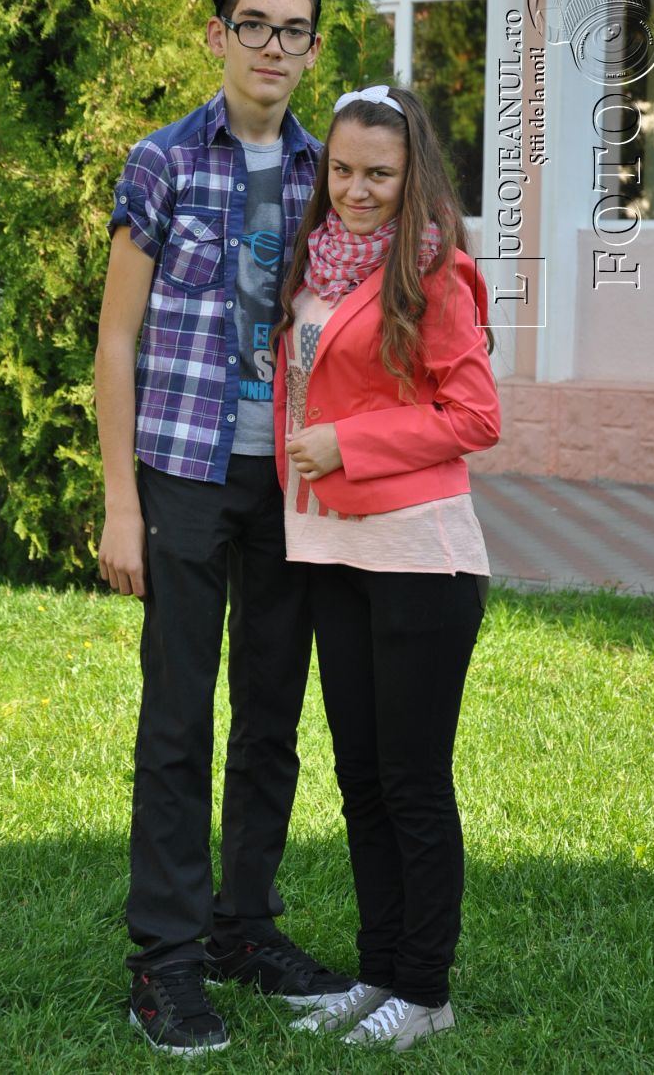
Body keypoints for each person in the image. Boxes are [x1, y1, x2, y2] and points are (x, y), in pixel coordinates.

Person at [94, 0, 352, 1058]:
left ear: (312, 47)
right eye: (255, 25)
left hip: (287, 481)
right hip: (184, 473)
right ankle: (164, 958)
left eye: (294, 31)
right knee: (177, 714)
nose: (273, 48)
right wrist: (122, 503)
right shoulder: (161, 163)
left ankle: (244, 926)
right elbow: (116, 338)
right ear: (218, 33)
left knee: (271, 713)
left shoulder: (324, 174)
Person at [272, 84, 500, 1051]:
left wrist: (348, 443)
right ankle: (378, 974)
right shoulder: (315, 264)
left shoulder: (435, 273)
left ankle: (427, 991)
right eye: (342, 170)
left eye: (380, 173)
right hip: (331, 549)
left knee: (412, 781)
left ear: (414, 177)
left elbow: (476, 415)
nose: (357, 190)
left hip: (418, 557)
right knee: (361, 778)